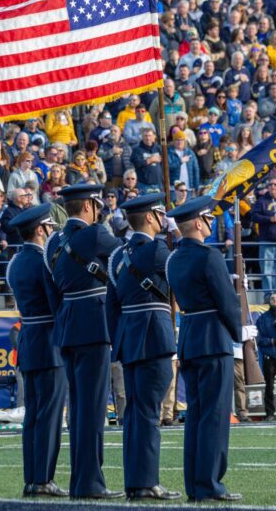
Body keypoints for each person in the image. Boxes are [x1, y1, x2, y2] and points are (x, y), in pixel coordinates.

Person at [44, 183, 123, 500]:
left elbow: (53, 294)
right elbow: (127, 258)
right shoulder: (95, 234)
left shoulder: (55, 241)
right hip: (93, 325)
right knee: (91, 409)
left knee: (78, 408)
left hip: (68, 325)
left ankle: (81, 480)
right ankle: (89, 483)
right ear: (90, 206)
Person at [165, 195, 244, 502]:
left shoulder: (174, 258)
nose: (211, 224)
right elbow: (226, 301)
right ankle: (209, 484)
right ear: (198, 223)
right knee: (214, 415)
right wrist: (239, 332)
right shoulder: (208, 257)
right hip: (213, 339)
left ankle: (196, 483)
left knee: (197, 415)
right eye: (208, 219)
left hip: (190, 338)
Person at [105, 194, 181, 501]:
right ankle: (147, 482)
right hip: (155, 337)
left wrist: (120, 338)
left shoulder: (117, 256)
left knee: (135, 413)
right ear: (150, 217)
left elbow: (111, 309)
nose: (163, 218)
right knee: (149, 412)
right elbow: (182, 274)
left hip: (129, 338)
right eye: (160, 214)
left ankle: (135, 481)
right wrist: (176, 235)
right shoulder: (158, 250)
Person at [5, 202, 68, 497]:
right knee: (50, 415)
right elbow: (57, 303)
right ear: (42, 229)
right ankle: (43, 478)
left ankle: (33, 477)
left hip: (30, 340)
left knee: (33, 416)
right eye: (50, 227)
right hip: (50, 341)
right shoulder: (45, 260)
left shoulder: (15, 262)